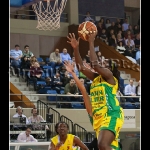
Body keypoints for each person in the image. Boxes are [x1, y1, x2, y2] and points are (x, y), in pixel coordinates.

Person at [66, 31, 124, 150]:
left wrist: (91, 41)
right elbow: (81, 67)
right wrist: (76, 49)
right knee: (103, 146)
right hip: (98, 118)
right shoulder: (96, 78)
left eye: (105, 64)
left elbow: (95, 65)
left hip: (111, 113)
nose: (102, 64)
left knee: (102, 145)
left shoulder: (110, 77)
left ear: (110, 69)